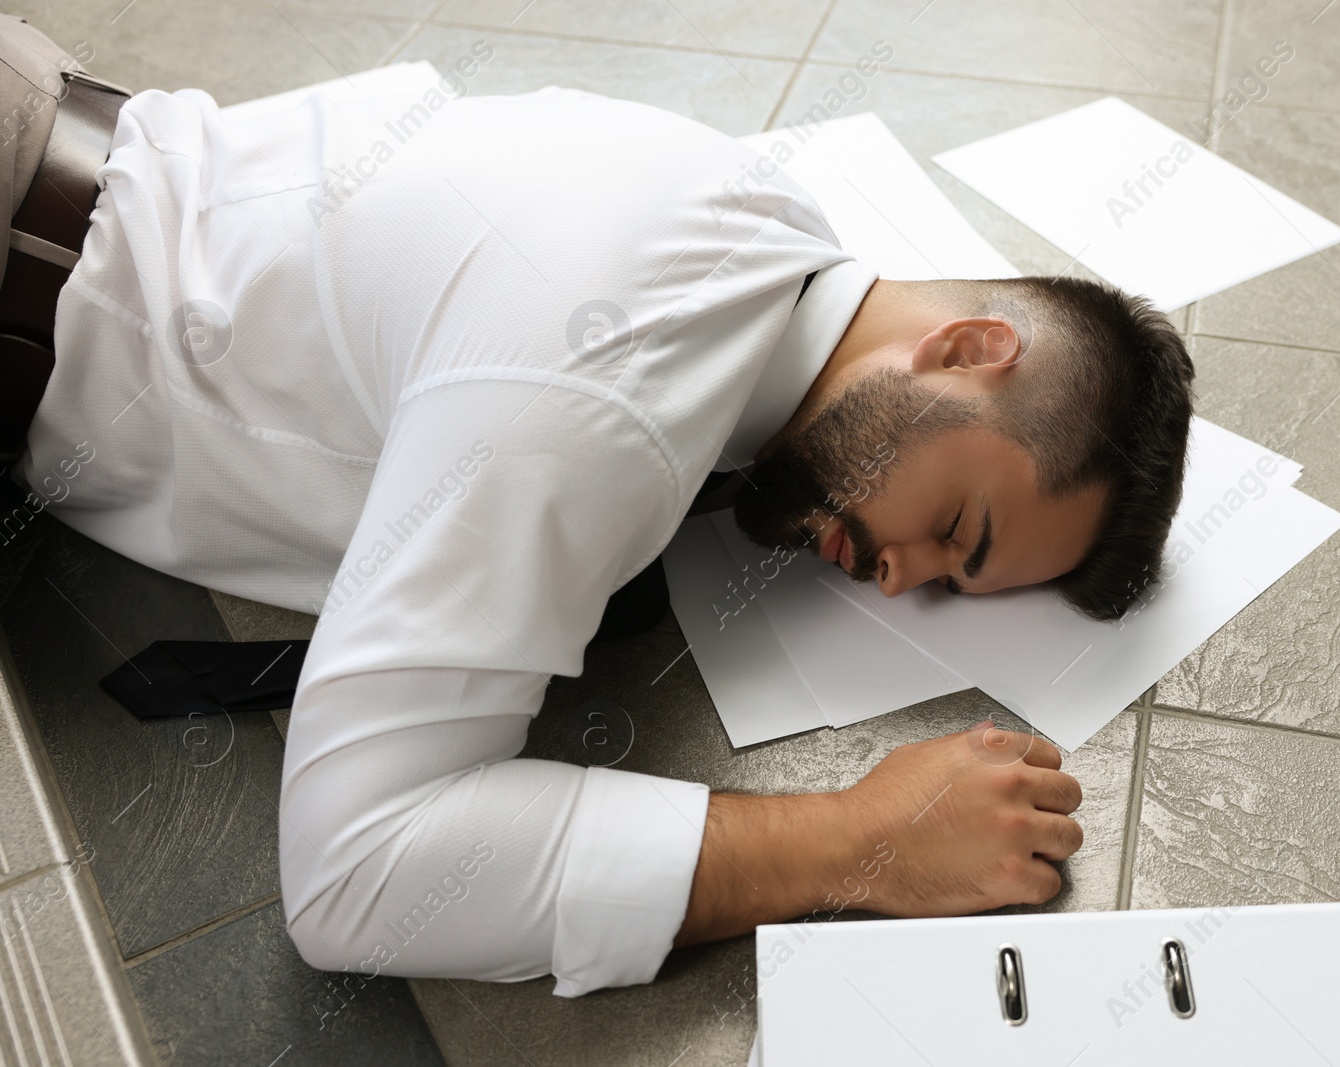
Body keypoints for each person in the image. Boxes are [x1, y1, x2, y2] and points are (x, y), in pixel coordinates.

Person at [2, 16, 1193, 996]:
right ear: (970, 347)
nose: (900, 573)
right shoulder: (607, 377)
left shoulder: (753, 220)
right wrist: (859, 838)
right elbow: (357, 873)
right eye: (958, 528)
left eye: (947, 580)